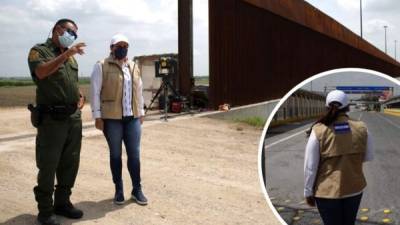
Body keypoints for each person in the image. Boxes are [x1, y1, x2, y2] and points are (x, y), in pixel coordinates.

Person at [27, 18, 86, 225]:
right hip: (52, 120)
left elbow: (69, 81)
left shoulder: (70, 58)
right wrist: (66, 55)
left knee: (70, 163)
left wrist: (80, 95)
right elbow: (42, 72)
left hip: (73, 118)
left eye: (75, 35)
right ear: (57, 29)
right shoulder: (39, 51)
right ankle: (45, 210)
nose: (73, 38)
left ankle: (63, 202)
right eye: (70, 32)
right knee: (48, 165)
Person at [90, 34, 147, 205]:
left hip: (132, 118)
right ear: (112, 48)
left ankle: (137, 189)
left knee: (134, 155)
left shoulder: (133, 66)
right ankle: (119, 189)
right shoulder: (102, 66)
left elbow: (139, 91)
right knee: (115, 154)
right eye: (119, 45)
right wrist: (97, 116)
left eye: (125, 45)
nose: (122, 47)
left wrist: (141, 112)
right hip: (112, 119)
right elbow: (94, 92)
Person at [304, 90, 373, 225]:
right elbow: (368, 156)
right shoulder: (362, 128)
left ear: (327, 107)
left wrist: (308, 192)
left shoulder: (318, 129)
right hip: (354, 189)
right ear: (348, 107)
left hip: (326, 192)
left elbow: (310, 167)